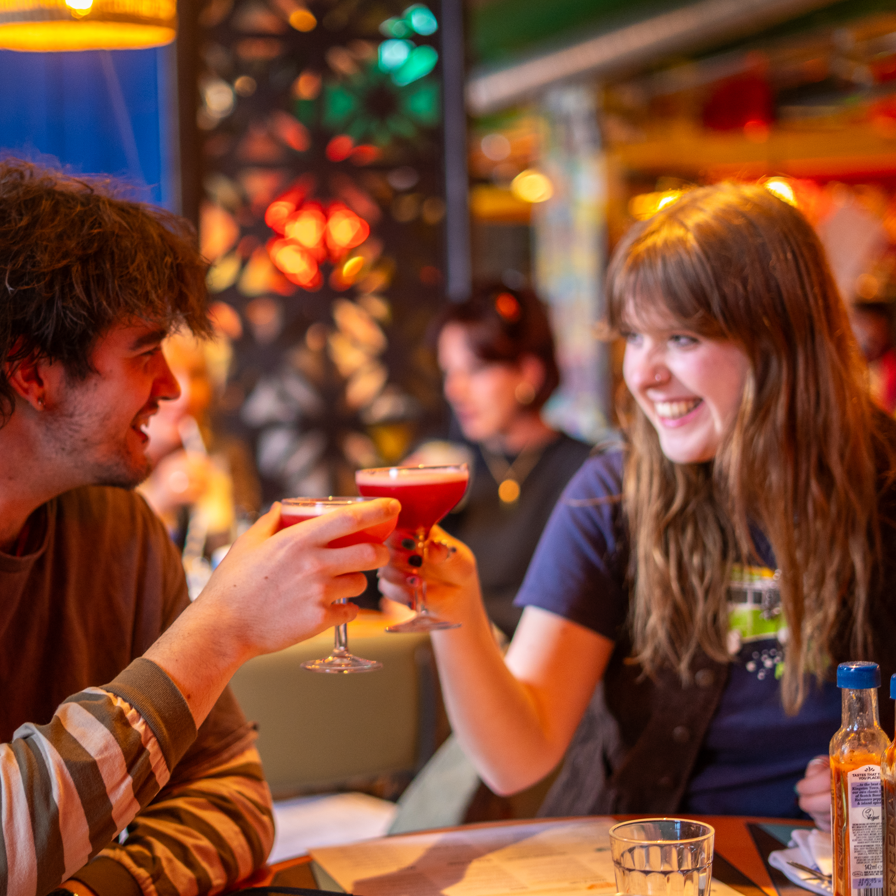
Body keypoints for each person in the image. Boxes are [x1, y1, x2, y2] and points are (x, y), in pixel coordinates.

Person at [379, 182, 896, 825]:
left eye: (681, 338)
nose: (643, 374)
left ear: (781, 336)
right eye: (632, 336)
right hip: (645, 859)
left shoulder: (885, 483)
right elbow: (517, 758)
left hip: (848, 862)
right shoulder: (611, 494)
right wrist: (454, 605)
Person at [0, 159, 399, 896]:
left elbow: (234, 800)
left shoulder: (117, 528)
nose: (172, 386)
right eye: (146, 352)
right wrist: (221, 628)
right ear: (33, 375)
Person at [413, 285, 592, 638]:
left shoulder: (586, 471)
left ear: (529, 372)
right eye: (449, 372)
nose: (454, 390)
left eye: (475, 370)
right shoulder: (441, 465)